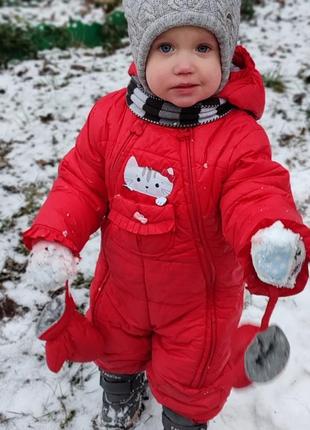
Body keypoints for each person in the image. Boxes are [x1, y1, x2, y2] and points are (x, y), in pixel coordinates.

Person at [23, 0, 310, 429]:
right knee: (115, 349)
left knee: (192, 377)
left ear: (225, 54)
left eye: (202, 48)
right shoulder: (110, 118)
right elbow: (81, 182)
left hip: (199, 302)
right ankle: (120, 393)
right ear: (141, 53)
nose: (184, 65)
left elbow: (254, 189)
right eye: (165, 48)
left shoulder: (237, 135)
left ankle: (183, 420)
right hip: (120, 287)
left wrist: (266, 233)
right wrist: (57, 238)